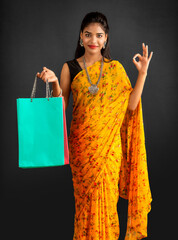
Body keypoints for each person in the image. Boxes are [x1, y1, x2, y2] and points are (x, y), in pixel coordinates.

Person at [37, 11, 153, 240]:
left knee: (108, 207)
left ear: (106, 38)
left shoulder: (116, 70)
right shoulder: (69, 68)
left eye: (99, 35)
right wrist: (54, 85)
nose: (93, 40)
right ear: (81, 36)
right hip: (82, 152)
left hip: (109, 152)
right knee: (84, 208)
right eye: (88, 35)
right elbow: (60, 109)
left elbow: (131, 106)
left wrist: (142, 74)